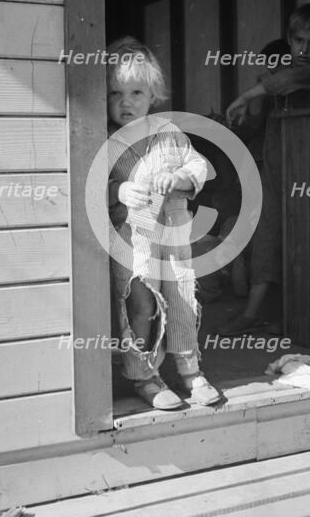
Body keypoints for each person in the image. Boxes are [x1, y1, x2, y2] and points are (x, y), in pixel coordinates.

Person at [107, 36, 220, 410]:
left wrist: (182, 178)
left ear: (153, 94)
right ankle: (145, 376)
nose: (126, 102)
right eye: (115, 93)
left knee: (181, 299)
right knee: (141, 305)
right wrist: (120, 190)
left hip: (173, 237)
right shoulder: (106, 139)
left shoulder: (168, 131)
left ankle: (191, 371)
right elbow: (94, 184)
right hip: (134, 239)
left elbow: (201, 165)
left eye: (136, 92)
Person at [219, 3, 310, 336]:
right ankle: (251, 314)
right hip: (274, 171)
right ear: (289, 39)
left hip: (305, 173)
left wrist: (247, 94)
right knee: (267, 236)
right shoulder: (278, 84)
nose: (304, 49)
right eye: (298, 40)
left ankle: (304, 316)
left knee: (304, 240)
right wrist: (244, 113)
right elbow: (264, 115)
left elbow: (289, 79)